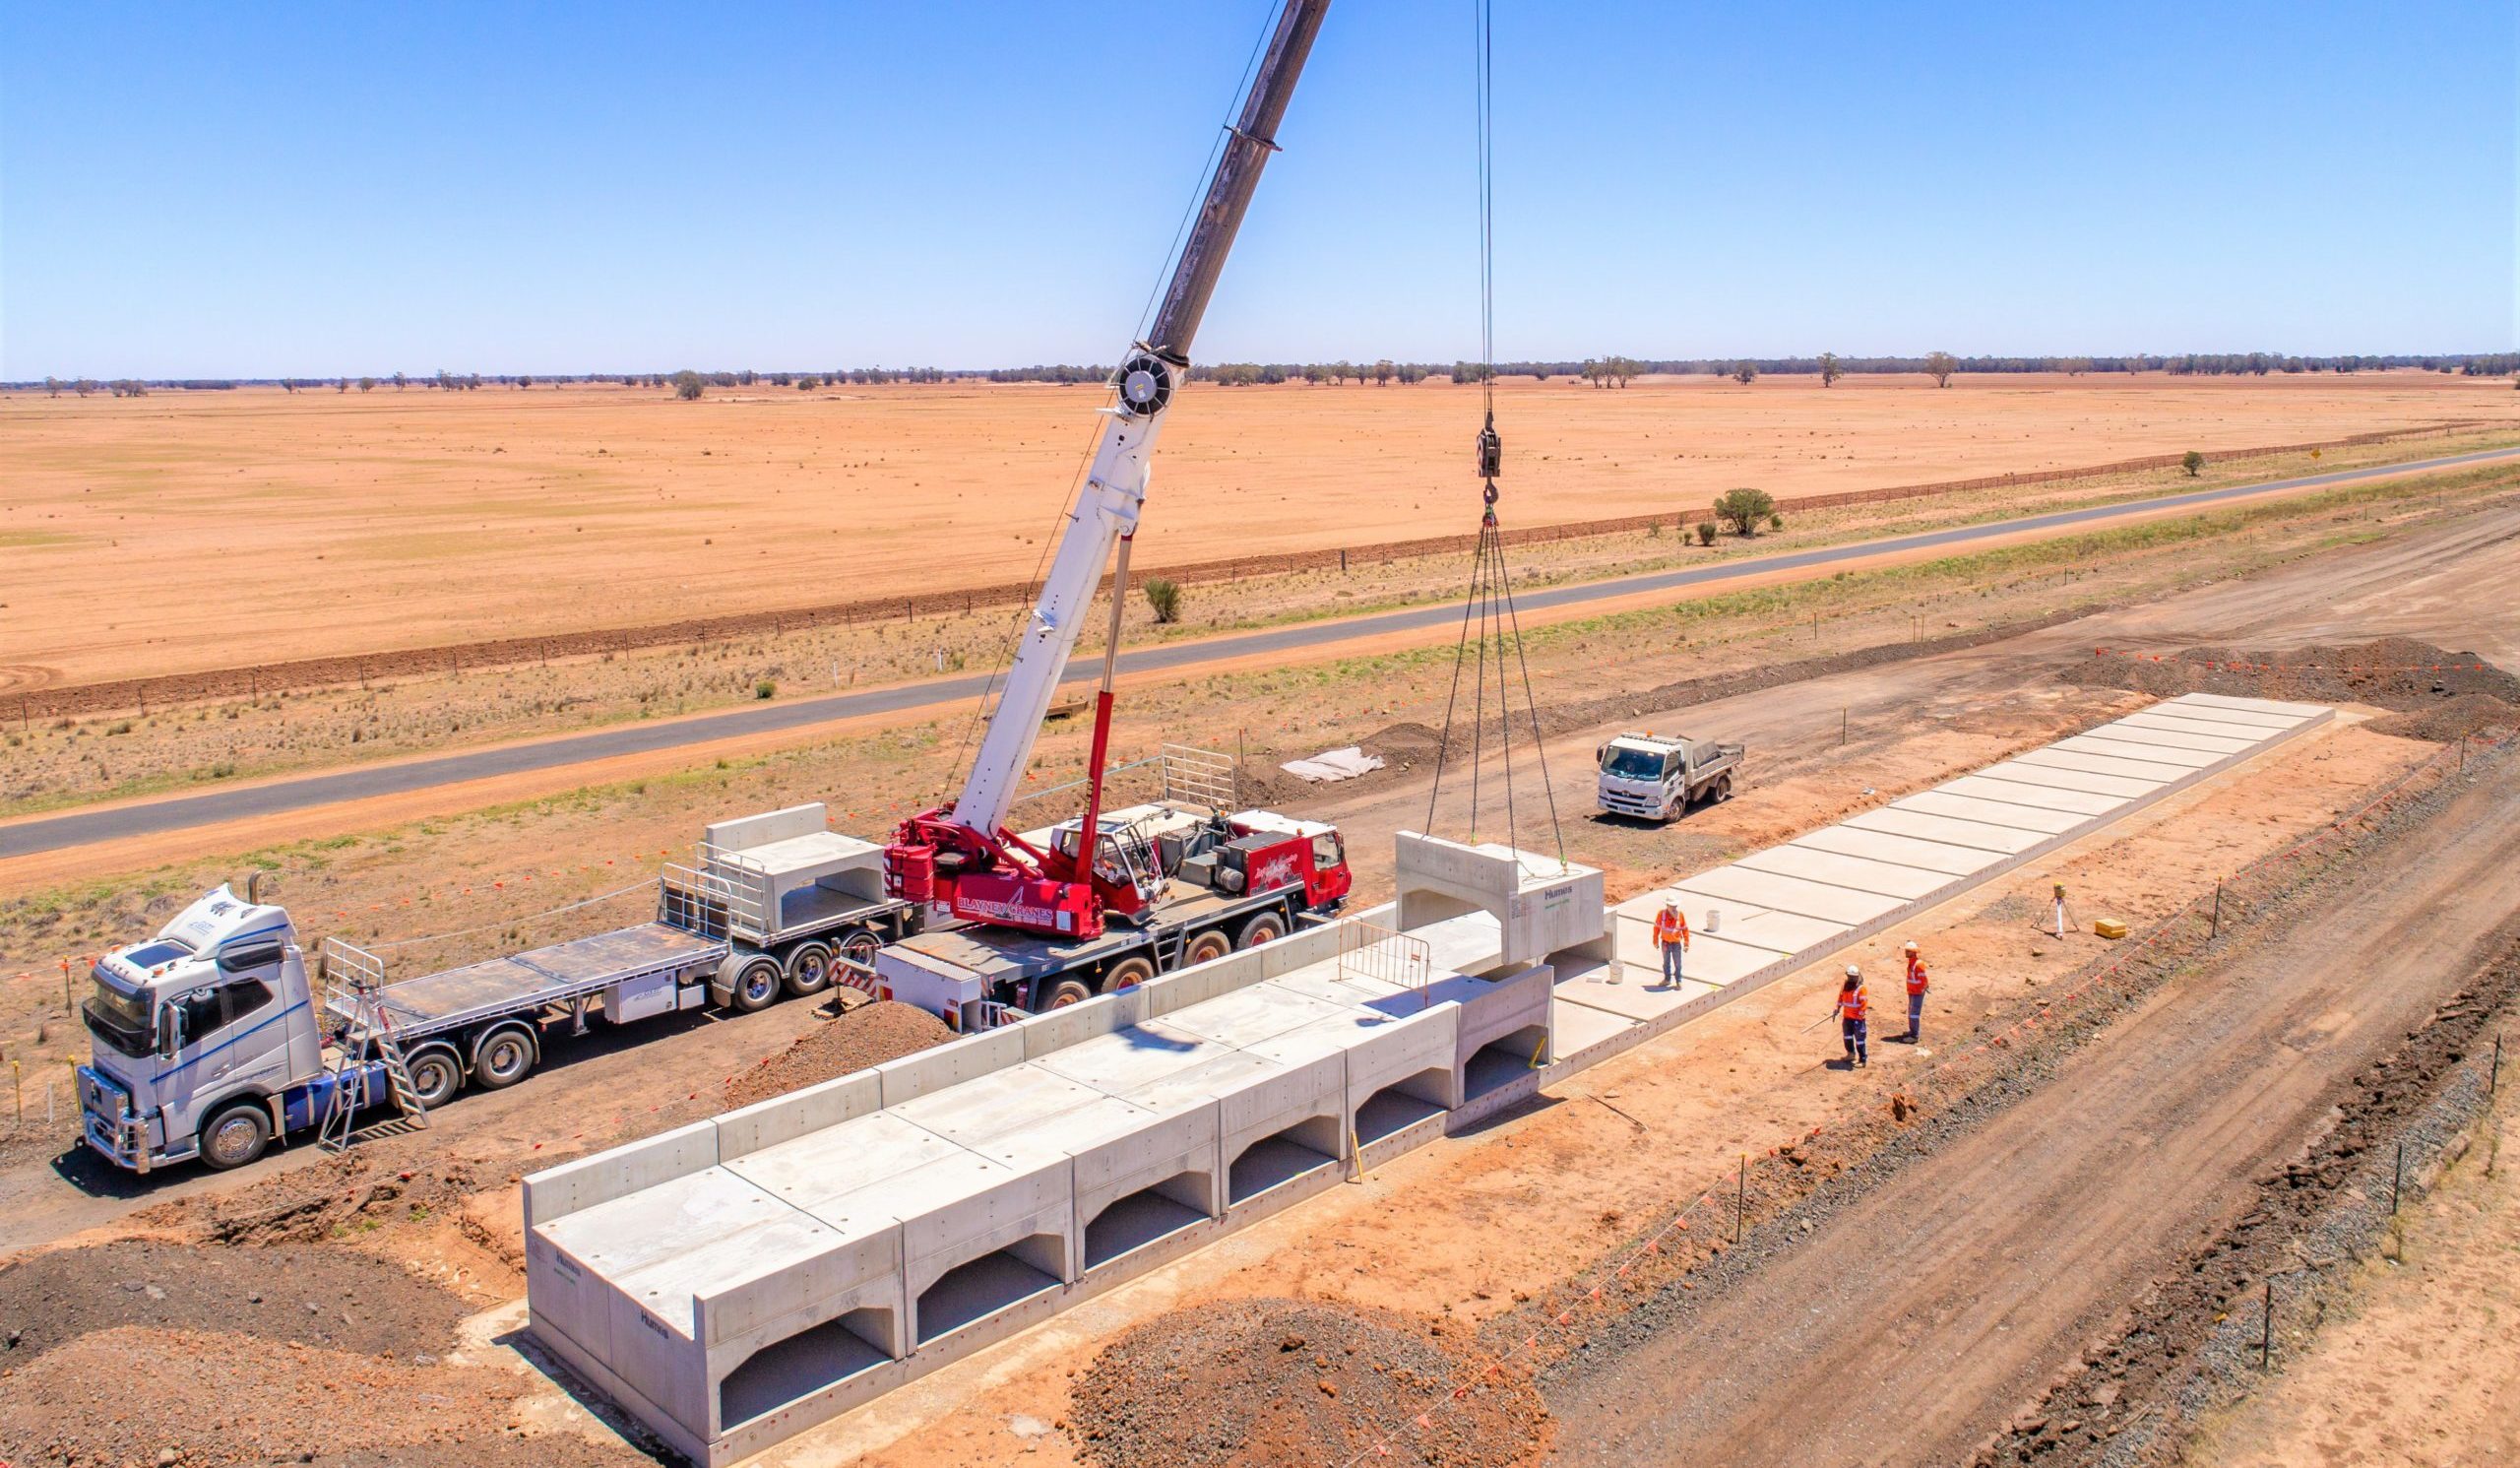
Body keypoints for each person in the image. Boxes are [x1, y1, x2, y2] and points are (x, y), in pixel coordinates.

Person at [1831, 965, 1869, 1068]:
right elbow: (1840, 998)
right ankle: (1850, 1054)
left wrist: (1859, 1018)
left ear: (1857, 977)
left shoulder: (1861, 989)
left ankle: (1862, 1060)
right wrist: (1837, 1009)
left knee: (1860, 1040)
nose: (1851, 979)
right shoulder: (1845, 986)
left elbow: (1864, 1005)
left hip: (1857, 1020)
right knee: (1847, 1037)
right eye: (1850, 976)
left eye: (1853, 977)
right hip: (1847, 1018)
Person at [1652, 900, 1690, 989]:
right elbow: (1656, 928)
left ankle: (1678, 980)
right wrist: (1655, 941)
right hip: (1665, 943)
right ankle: (1667, 979)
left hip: (1676, 943)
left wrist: (1686, 943)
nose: (1674, 908)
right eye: (1672, 906)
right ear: (1667, 905)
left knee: (1678, 963)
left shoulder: (1680, 915)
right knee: (1666, 962)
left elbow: (1685, 929)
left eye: (1675, 906)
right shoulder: (1661, 914)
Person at [1901, 940, 1928, 1043]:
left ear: (1913, 952)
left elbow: (1923, 979)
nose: (1906, 953)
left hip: (1917, 992)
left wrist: (1921, 989)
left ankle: (1914, 1036)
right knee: (1911, 1012)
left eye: (1908, 951)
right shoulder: (1911, 963)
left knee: (1914, 1014)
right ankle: (1912, 1031)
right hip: (1912, 991)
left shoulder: (1918, 964)